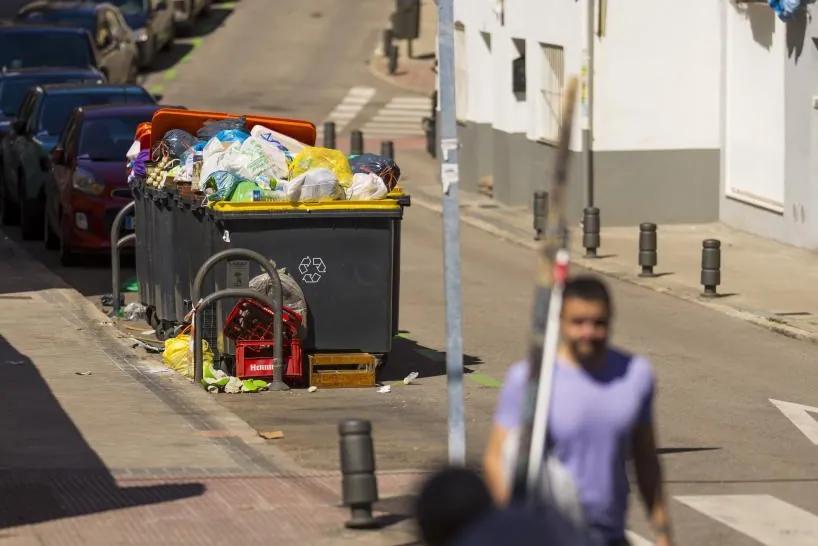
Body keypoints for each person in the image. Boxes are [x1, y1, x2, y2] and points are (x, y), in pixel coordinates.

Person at [483, 275, 674, 546]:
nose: (589, 332)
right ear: (560, 321)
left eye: (598, 323)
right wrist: (516, 523)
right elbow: (495, 458)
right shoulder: (530, 379)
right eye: (578, 322)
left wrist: (663, 534)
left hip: (610, 536)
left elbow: (646, 460)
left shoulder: (635, 375)